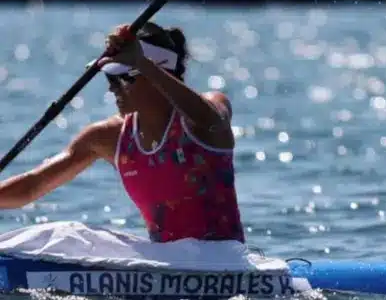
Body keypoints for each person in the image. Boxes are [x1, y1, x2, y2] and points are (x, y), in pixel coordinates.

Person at [0, 22, 245, 244]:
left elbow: (210, 120)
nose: (111, 88)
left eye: (120, 78)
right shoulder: (110, 136)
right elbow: (33, 185)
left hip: (224, 262)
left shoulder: (207, 112)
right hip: (168, 263)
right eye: (109, 78)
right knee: (64, 236)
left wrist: (141, 63)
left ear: (156, 72)